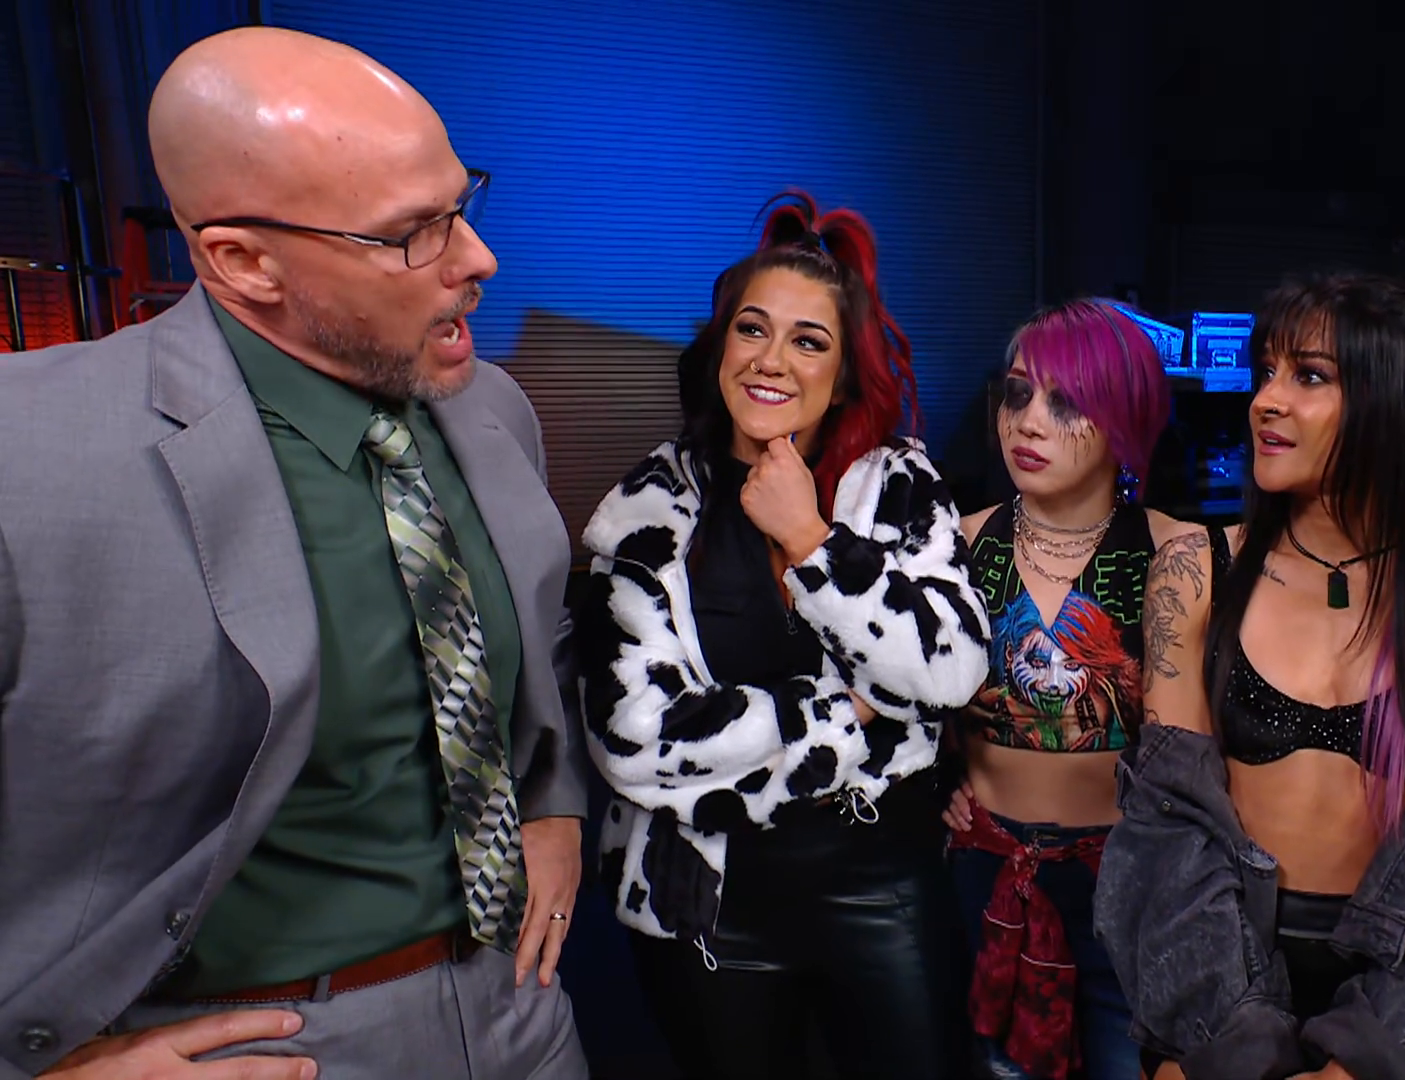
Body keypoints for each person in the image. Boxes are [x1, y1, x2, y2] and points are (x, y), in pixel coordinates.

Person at [0, 26, 589, 1080]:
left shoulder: (492, 408)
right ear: (243, 261)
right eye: (410, 234)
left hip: (522, 1010)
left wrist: (551, 803)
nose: (477, 259)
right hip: (263, 1043)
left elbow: (536, 634)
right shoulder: (27, 453)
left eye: (460, 204)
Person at [1093, 248, 1405, 1080]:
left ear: (1393, 399)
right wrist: (1209, 1044)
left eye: (1309, 376)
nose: (1265, 400)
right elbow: (1170, 824)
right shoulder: (1199, 570)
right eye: (1266, 372)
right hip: (1218, 972)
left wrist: (1363, 1061)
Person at [576, 192, 990, 1080]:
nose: (772, 361)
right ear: (720, 347)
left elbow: (951, 669)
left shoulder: (895, 484)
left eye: (809, 342)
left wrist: (811, 541)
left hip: (879, 878)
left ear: (843, 375)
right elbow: (634, 738)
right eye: (752, 330)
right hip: (707, 895)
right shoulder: (648, 509)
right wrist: (838, 715)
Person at [938, 299, 1193, 1080]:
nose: (1029, 421)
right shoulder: (958, 541)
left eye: (1067, 401)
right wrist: (940, 786)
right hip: (987, 868)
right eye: (1018, 393)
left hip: (1126, 880)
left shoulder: (1177, 551)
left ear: (1126, 418)